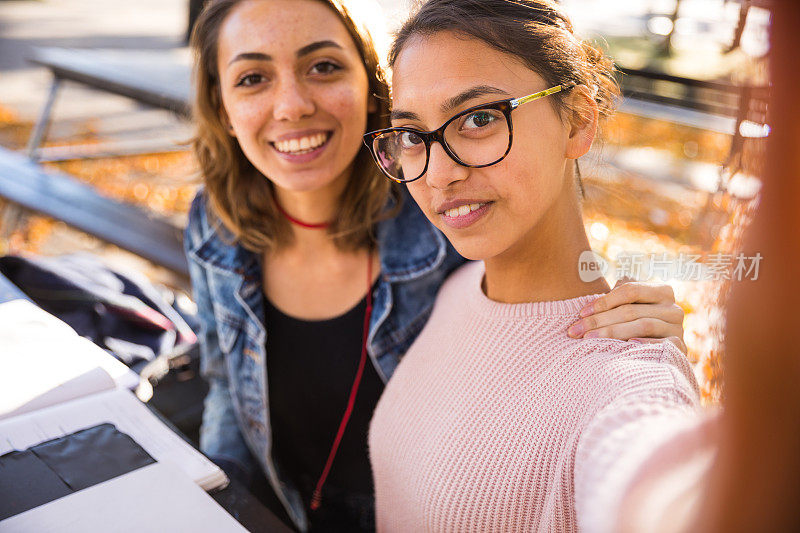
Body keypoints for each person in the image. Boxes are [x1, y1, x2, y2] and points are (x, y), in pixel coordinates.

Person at [184, 0, 688, 530]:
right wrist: (223, 502)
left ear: (369, 88)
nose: (291, 105)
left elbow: (550, 280)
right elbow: (225, 381)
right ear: (221, 107)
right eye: (253, 77)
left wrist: (641, 328)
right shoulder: (217, 225)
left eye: (478, 118)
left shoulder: (440, 226)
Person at [365, 0, 701, 531]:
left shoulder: (627, 378)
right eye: (412, 134)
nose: (439, 174)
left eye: (479, 118)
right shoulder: (455, 287)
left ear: (578, 122)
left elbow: (652, 468)